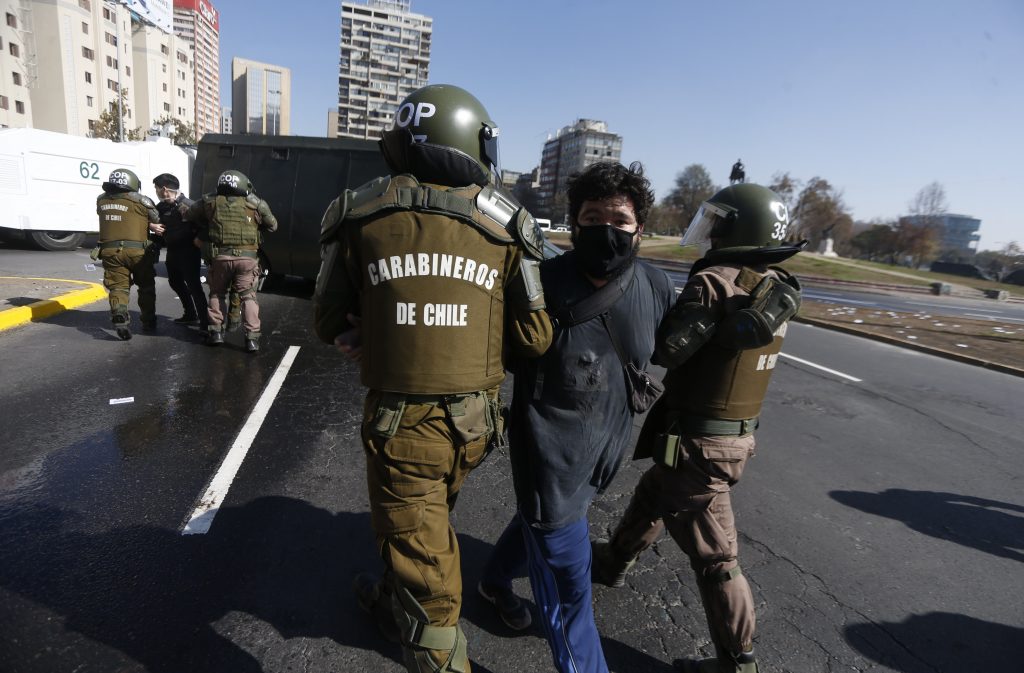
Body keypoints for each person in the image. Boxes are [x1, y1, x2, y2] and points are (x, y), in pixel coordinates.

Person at [313, 83, 553, 673]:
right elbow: (534, 338)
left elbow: (327, 321)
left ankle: (428, 639)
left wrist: (386, 323)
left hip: (404, 430)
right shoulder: (507, 223)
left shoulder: (360, 212)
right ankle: (393, 605)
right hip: (475, 426)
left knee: (431, 581)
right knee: (425, 528)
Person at [591, 183, 805, 673]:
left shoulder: (715, 282)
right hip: (732, 436)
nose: (708, 235)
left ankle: (738, 661)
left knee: (717, 558)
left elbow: (668, 350)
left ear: (737, 229)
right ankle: (612, 562)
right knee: (653, 493)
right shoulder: (774, 284)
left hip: (699, 444)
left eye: (716, 224)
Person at [478, 161, 676, 673]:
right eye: (592, 218)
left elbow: (669, 354)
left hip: (602, 458)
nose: (606, 230)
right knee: (570, 593)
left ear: (639, 228)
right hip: (548, 462)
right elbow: (485, 349)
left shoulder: (654, 286)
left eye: (620, 219)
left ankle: (493, 581)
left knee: (536, 528)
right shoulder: (537, 284)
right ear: (574, 224)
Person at [185, 170, 277, 352]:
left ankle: (216, 333)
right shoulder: (256, 203)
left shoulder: (209, 201)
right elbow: (273, 226)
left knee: (217, 294)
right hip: (247, 259)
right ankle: (252, 339)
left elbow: (189, 214)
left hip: (221, 257)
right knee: (248, 296)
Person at [95, 168, 163, 340]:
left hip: (110, 252)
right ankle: (148, 321)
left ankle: (120, 315)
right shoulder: (141, 200)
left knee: (118, 287)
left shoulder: (101, 200)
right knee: (146, 287)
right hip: (138, 252)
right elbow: (157, 219)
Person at [152, 173, 206, 327]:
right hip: (172, 251)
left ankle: (206, 323)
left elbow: (207, 225)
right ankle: (190, 314)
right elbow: (152, 220)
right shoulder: (161, 207)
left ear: (164, 189)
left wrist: (200, 238)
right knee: (175, 282)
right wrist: (152, 226)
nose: (156, 192)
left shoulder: (190, 205)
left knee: (194, 287)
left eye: (157, 189)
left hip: (189, 252)